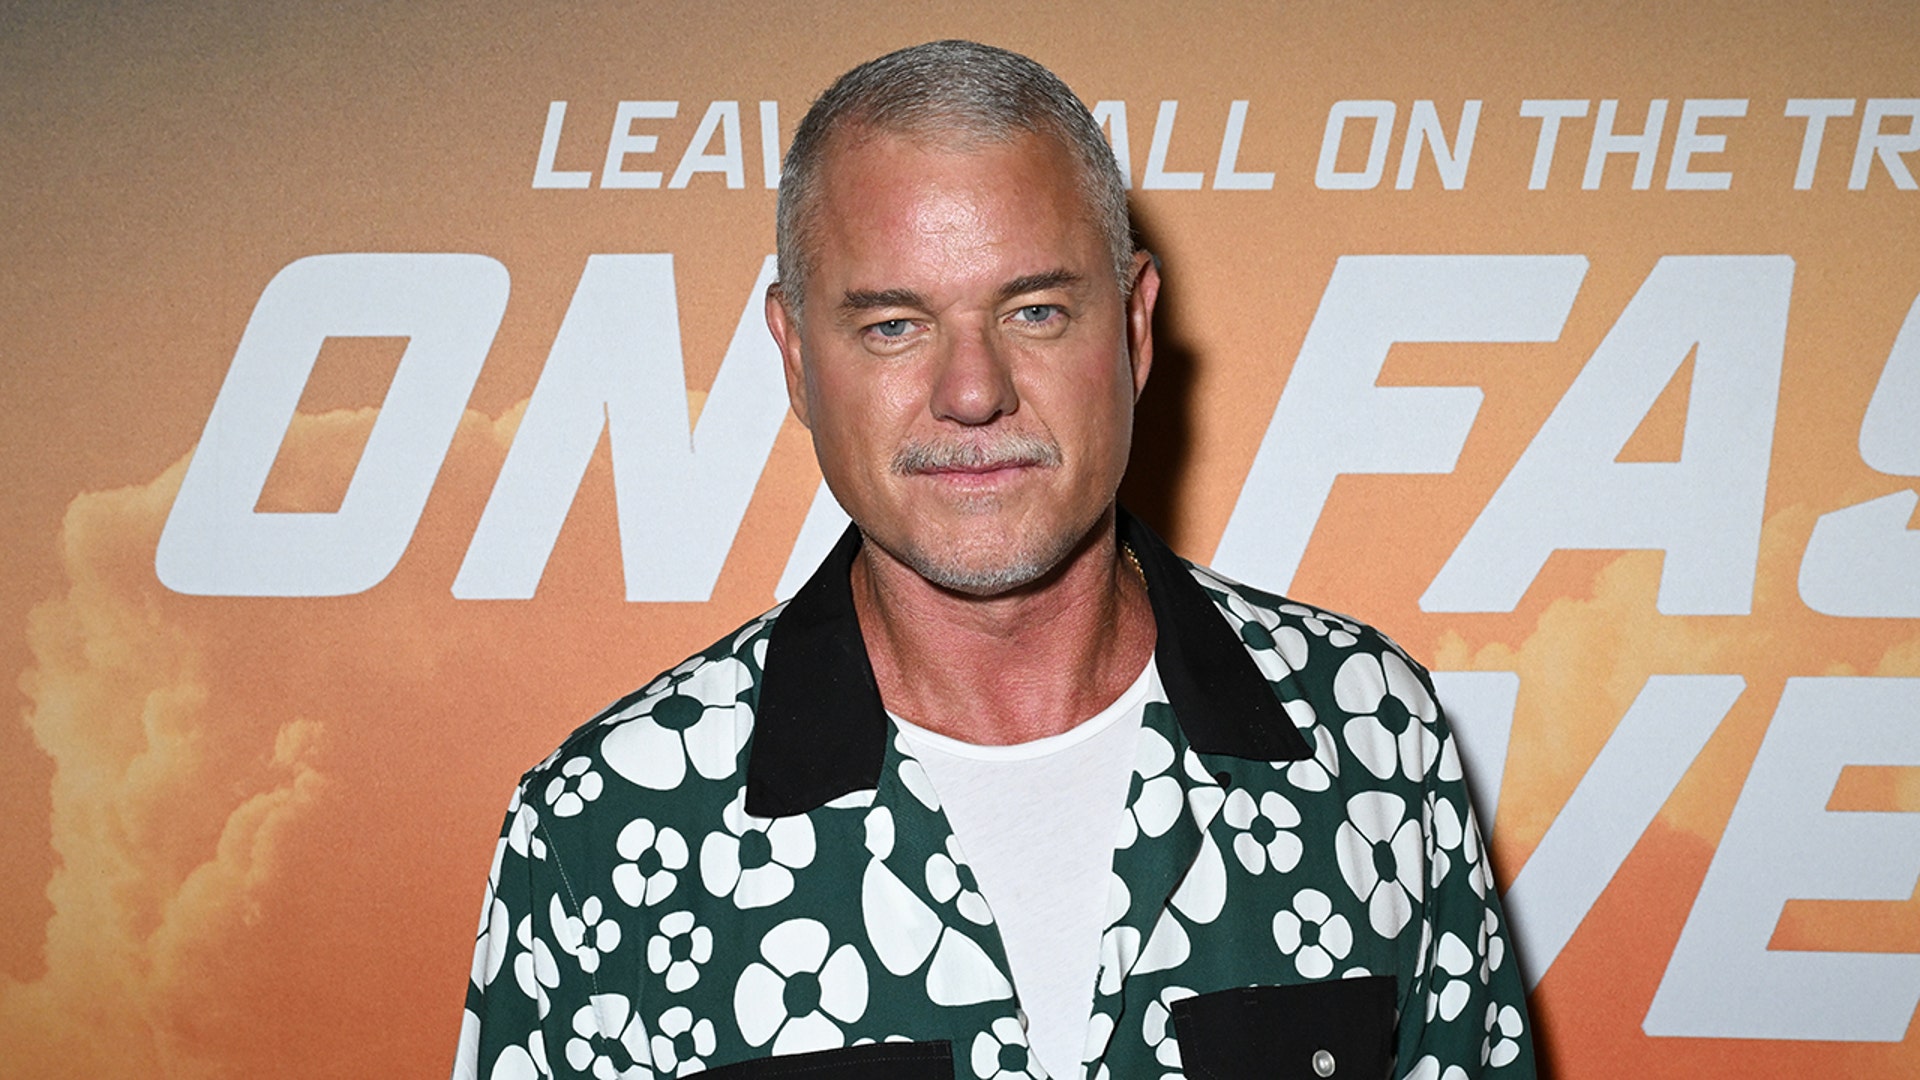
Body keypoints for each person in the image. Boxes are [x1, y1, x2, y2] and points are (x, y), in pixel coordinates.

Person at [455, 40, 1533, 1080]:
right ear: (794, 355)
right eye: (892, 326)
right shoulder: (606, 828)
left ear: (1135, 328)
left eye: (1036, 311)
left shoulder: (1369, 735)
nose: (973, 392)